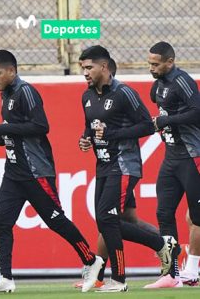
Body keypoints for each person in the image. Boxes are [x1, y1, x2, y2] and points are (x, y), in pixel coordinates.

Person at [0, 49, 103, 294]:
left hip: (36, 171)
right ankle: (5, 277)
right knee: (2, 222)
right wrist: (3, 135)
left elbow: (40, 126)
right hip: (14, 172)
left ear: (12, 71)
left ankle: (91, 260)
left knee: (55, 220)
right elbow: (15, 130)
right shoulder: (6, 93)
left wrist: (4, 128)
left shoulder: (26, 91)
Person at [78, 45, 176, 292]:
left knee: (106, 219)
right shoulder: (87, 96)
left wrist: (115, 134)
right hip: (103, 166)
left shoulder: (124, 93)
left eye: (89, 67)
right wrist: (85, 138)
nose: (85, 73)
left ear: (104, 67)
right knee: (111, 221)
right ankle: (161, 244)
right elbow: (91, 127)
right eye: (82, 68)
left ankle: (119, 279)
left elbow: (147, 125)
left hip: (123, 165)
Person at [144, 41, 200, 288]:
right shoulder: (158, 86)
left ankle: (192, 271)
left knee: (197, 217)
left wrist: (167, 120)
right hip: (171, 157)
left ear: (170, 61)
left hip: (192, 155)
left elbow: (197, 112)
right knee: (164, 213)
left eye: (156, 64)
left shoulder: (183, 81)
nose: (152, 68)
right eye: (150, 64)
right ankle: (171, 272)